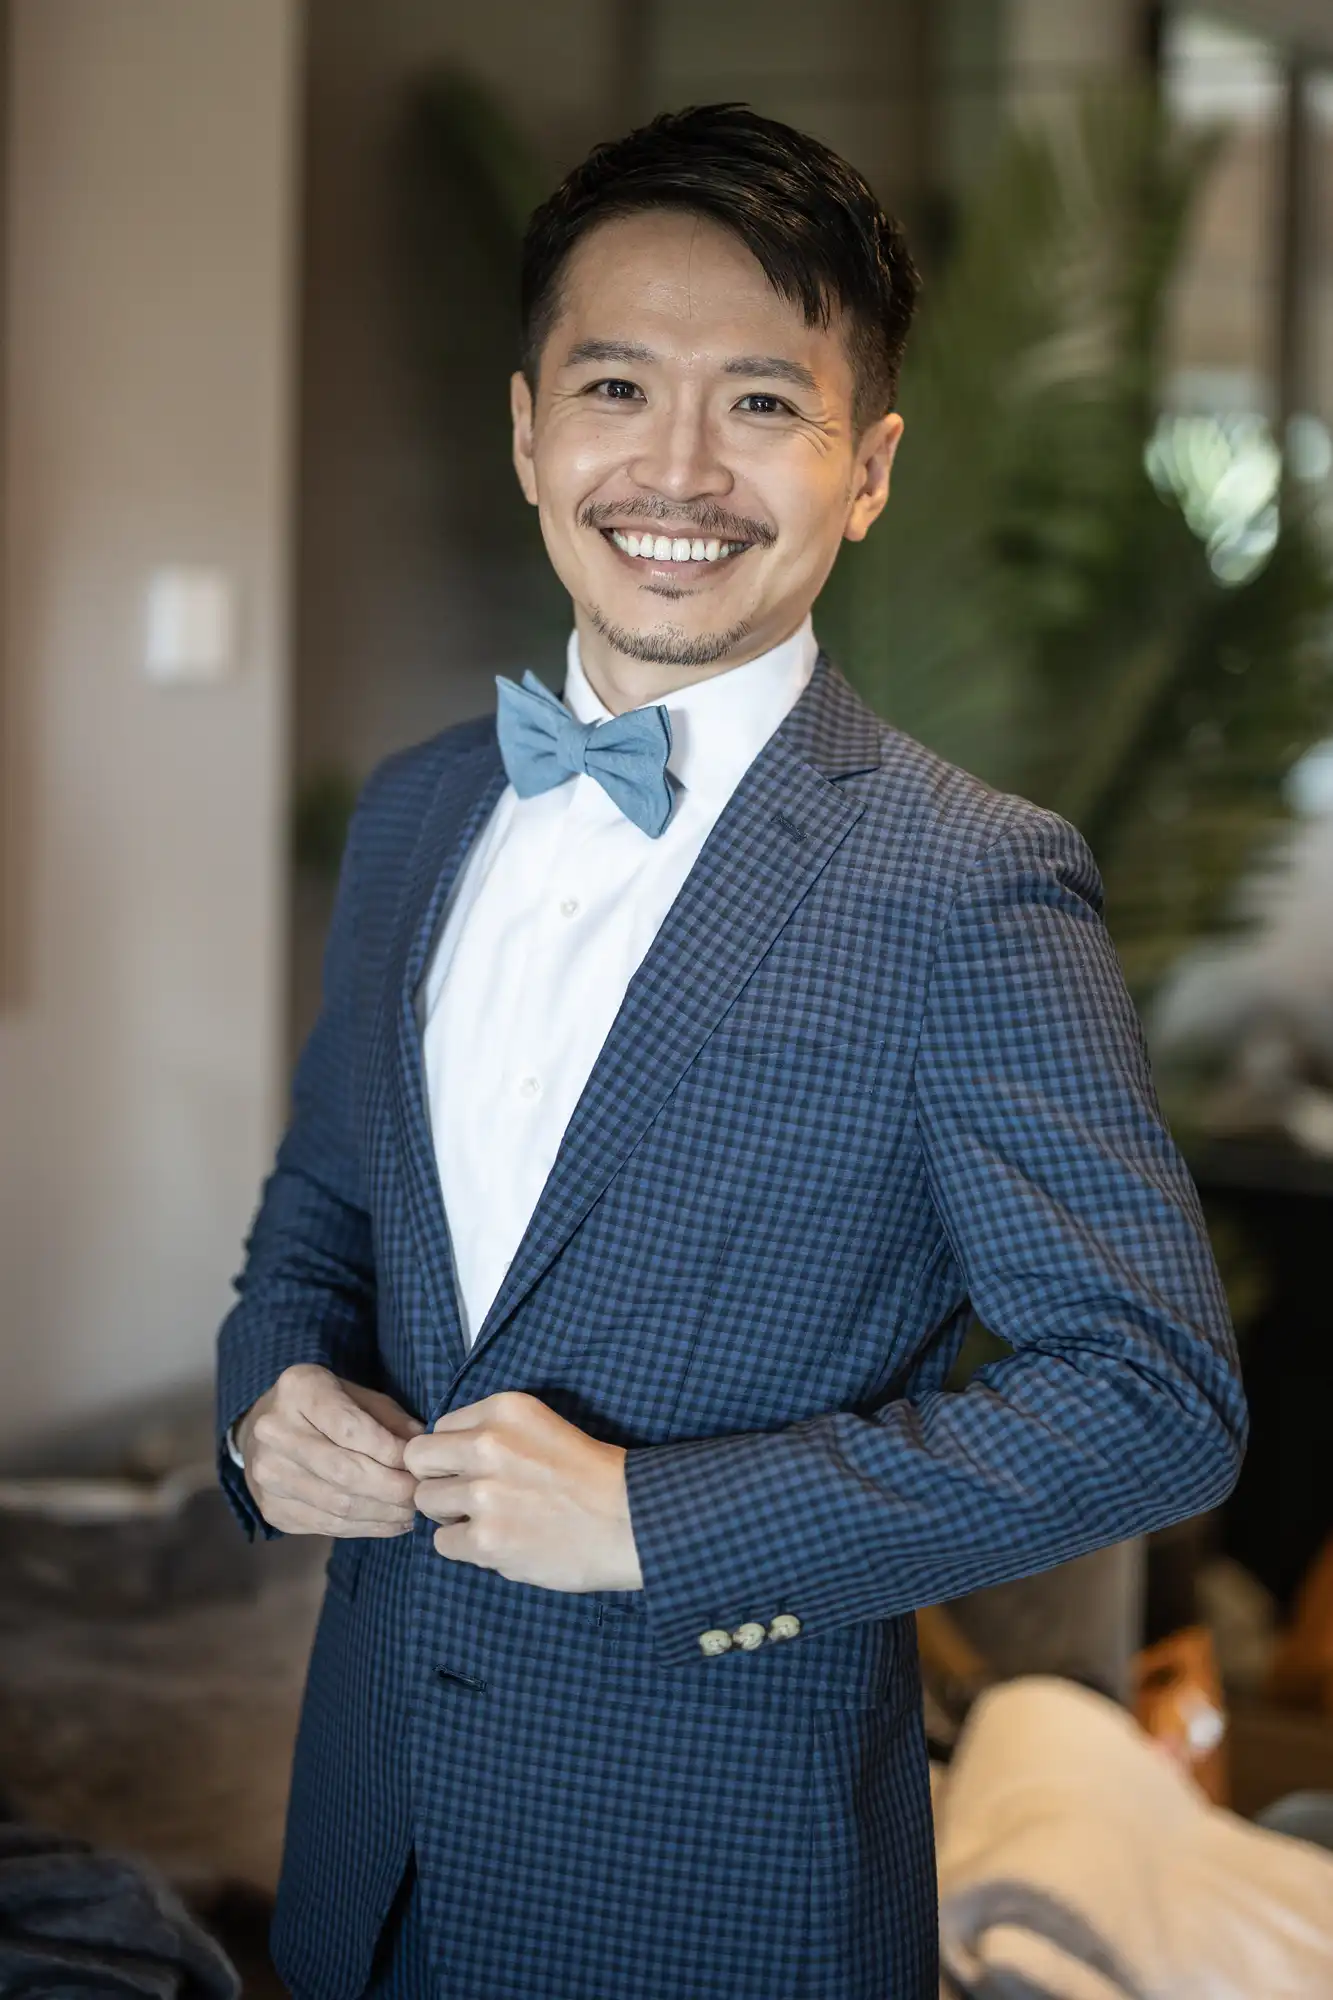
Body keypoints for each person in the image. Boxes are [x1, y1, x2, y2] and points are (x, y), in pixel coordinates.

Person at [216, 103, 1246, 2000]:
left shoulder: (969, 883)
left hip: (712, 1891)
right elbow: (317, 1225)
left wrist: (651, 1520)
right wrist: (268, 1401)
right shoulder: (418, 814)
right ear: (529, 428)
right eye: (618, 385)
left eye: (765, 404)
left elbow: (1154, 1392)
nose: (677, 468)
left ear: (869, 471)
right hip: (366, 1845)